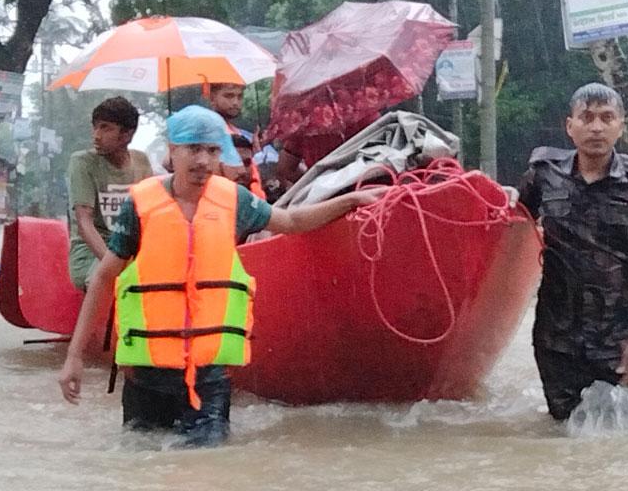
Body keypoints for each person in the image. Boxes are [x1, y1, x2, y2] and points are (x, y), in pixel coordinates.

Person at [57, 105, 384, 447]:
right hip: (146, 377)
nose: (203, 161)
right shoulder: (141, 205)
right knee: (144, 472)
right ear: (172, 151)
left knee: (206, 475)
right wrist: (74, 357)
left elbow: (291, 222)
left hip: (209, 378)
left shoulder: (235, 201)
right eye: (193, 149)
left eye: (212, 151)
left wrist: (351, 200)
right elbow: (102, 278)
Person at [517, 83, 628, 421]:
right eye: (586, 118)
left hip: (619, 343)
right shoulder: (543, 174)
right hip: (555, 341)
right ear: (569, 126)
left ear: (621, 125)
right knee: (563, 441)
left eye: (607, 118)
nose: (596, 127)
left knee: (627, 446)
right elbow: (512, 230)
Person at [67, 97, 153, 290]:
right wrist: (113, 265)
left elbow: (149, 216)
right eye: (95, 127)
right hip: (90, 253)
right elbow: (84, 222)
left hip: (130, 248)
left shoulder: (141, 161)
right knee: (112, 283)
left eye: (105, 128)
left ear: (127, 135)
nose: (96, 135)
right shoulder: (83, 163)